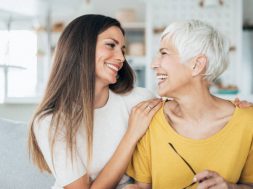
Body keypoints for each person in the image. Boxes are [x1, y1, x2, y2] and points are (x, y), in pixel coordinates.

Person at [28, 14, 162, 189]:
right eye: (110, 45)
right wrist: (131, 135)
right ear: (81, 48)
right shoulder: (50, 121)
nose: (121, 58)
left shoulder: (140, 100)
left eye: (122, 49)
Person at [126, 20, 253, 189]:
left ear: (197, 64)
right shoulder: (150, 119)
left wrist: (231, 188)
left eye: (163, 53)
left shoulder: (248, 122)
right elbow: (142, 187)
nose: (153, 64)